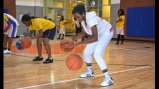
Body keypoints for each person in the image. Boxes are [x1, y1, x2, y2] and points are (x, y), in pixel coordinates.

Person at [68, 4, 114, 87]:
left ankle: (108, 78)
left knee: (97, 54)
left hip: (107, 32)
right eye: (75, 18)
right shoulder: (82, 20)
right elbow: (83, 33)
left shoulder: (91, 19)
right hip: (98, 35)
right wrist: (71, 40)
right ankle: (90, 72)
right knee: (86, 52)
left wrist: (77, 44)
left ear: (83, 14)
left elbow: (95, 37)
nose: (77, 19)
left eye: (77, 17)